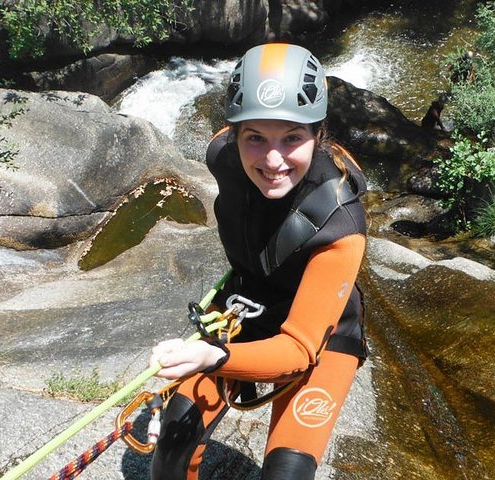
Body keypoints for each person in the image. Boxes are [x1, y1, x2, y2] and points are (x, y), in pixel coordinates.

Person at [148, 43, 368, 480]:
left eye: (292, 138)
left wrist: (212, 356)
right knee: (171, 451)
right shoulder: (222, 155)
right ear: (234, 134)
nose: (272, 160)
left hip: (319, 336)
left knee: (287, 473)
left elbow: (298, 351)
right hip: (245, 305)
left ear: (318, 134)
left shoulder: (340, 225)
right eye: (255, 138)